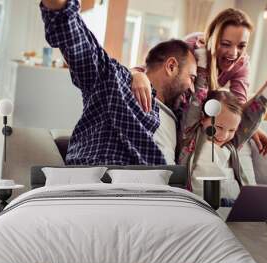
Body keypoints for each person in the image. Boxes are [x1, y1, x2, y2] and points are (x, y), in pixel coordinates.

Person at [41, 0, 197, 165]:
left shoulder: (176, 120)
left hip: (152, 188)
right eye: (191, 78)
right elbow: (80, 44)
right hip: (97, 180)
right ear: (171, 66)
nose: (193, 88)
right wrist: (59, 6)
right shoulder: (117, 82)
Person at [131, 8, 267, 157]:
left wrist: (253, 127)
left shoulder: (242, 64)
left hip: (204, 113)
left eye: (241, 46)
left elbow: (236, 108)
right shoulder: (194, 46)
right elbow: (154, 67)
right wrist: (137, 74)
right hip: (180, 111)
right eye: (226, 44)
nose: (234, 53)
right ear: (212, 39)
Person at [179, 51, 267, 201]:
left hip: (232, 207)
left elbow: (252, 117)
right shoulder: (191, 136)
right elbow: (198, 95)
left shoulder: (230, 144)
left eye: (231, 130)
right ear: (202, 118)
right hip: (202, 207)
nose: (224, 136)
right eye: (218, 127)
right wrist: (204, 57)